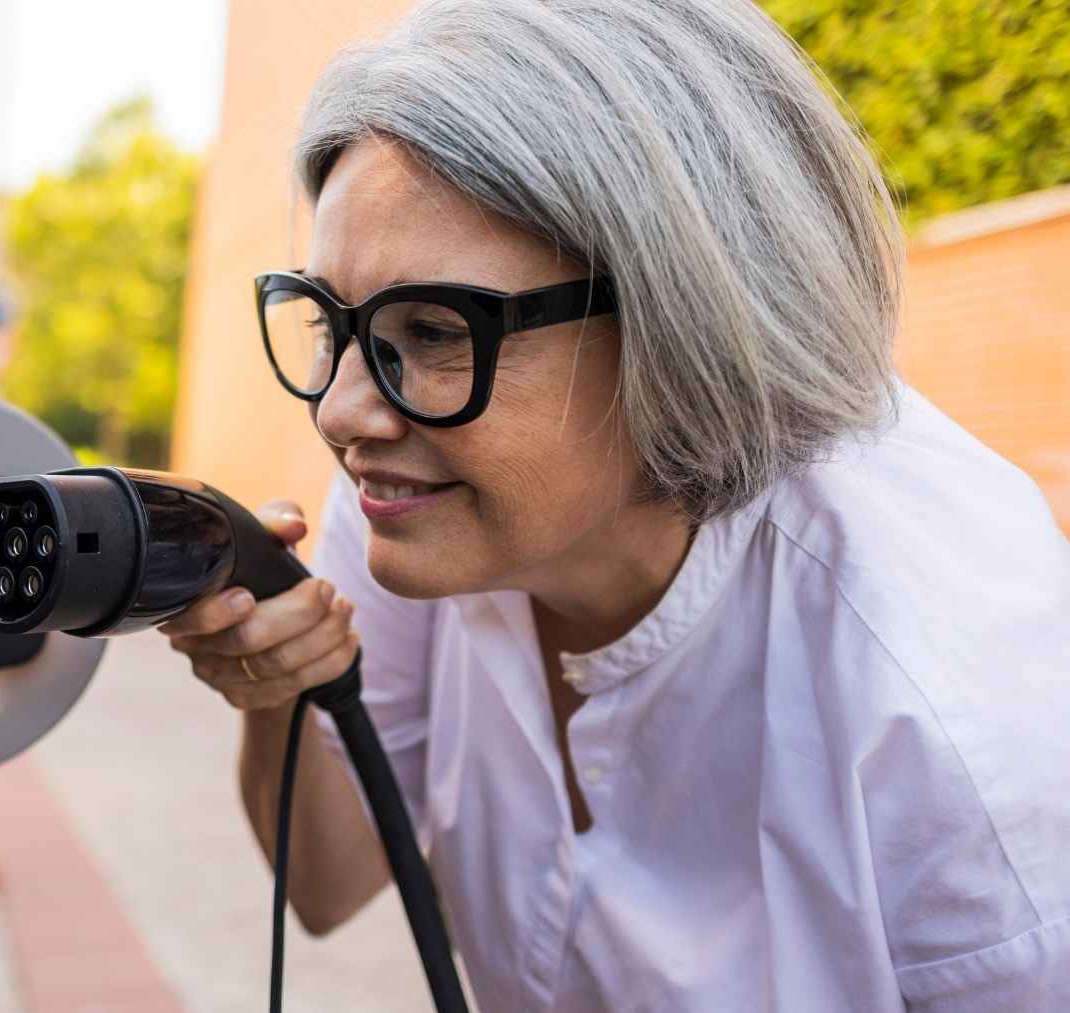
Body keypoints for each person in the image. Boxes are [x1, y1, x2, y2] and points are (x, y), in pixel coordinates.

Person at [160, 1, 1070, 1009]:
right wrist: (282, 685)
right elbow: (328, 882)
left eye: (434, 328)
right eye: (335, 322)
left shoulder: (946, 694)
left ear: (688, 316)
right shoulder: (422, 502)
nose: (343, 410)